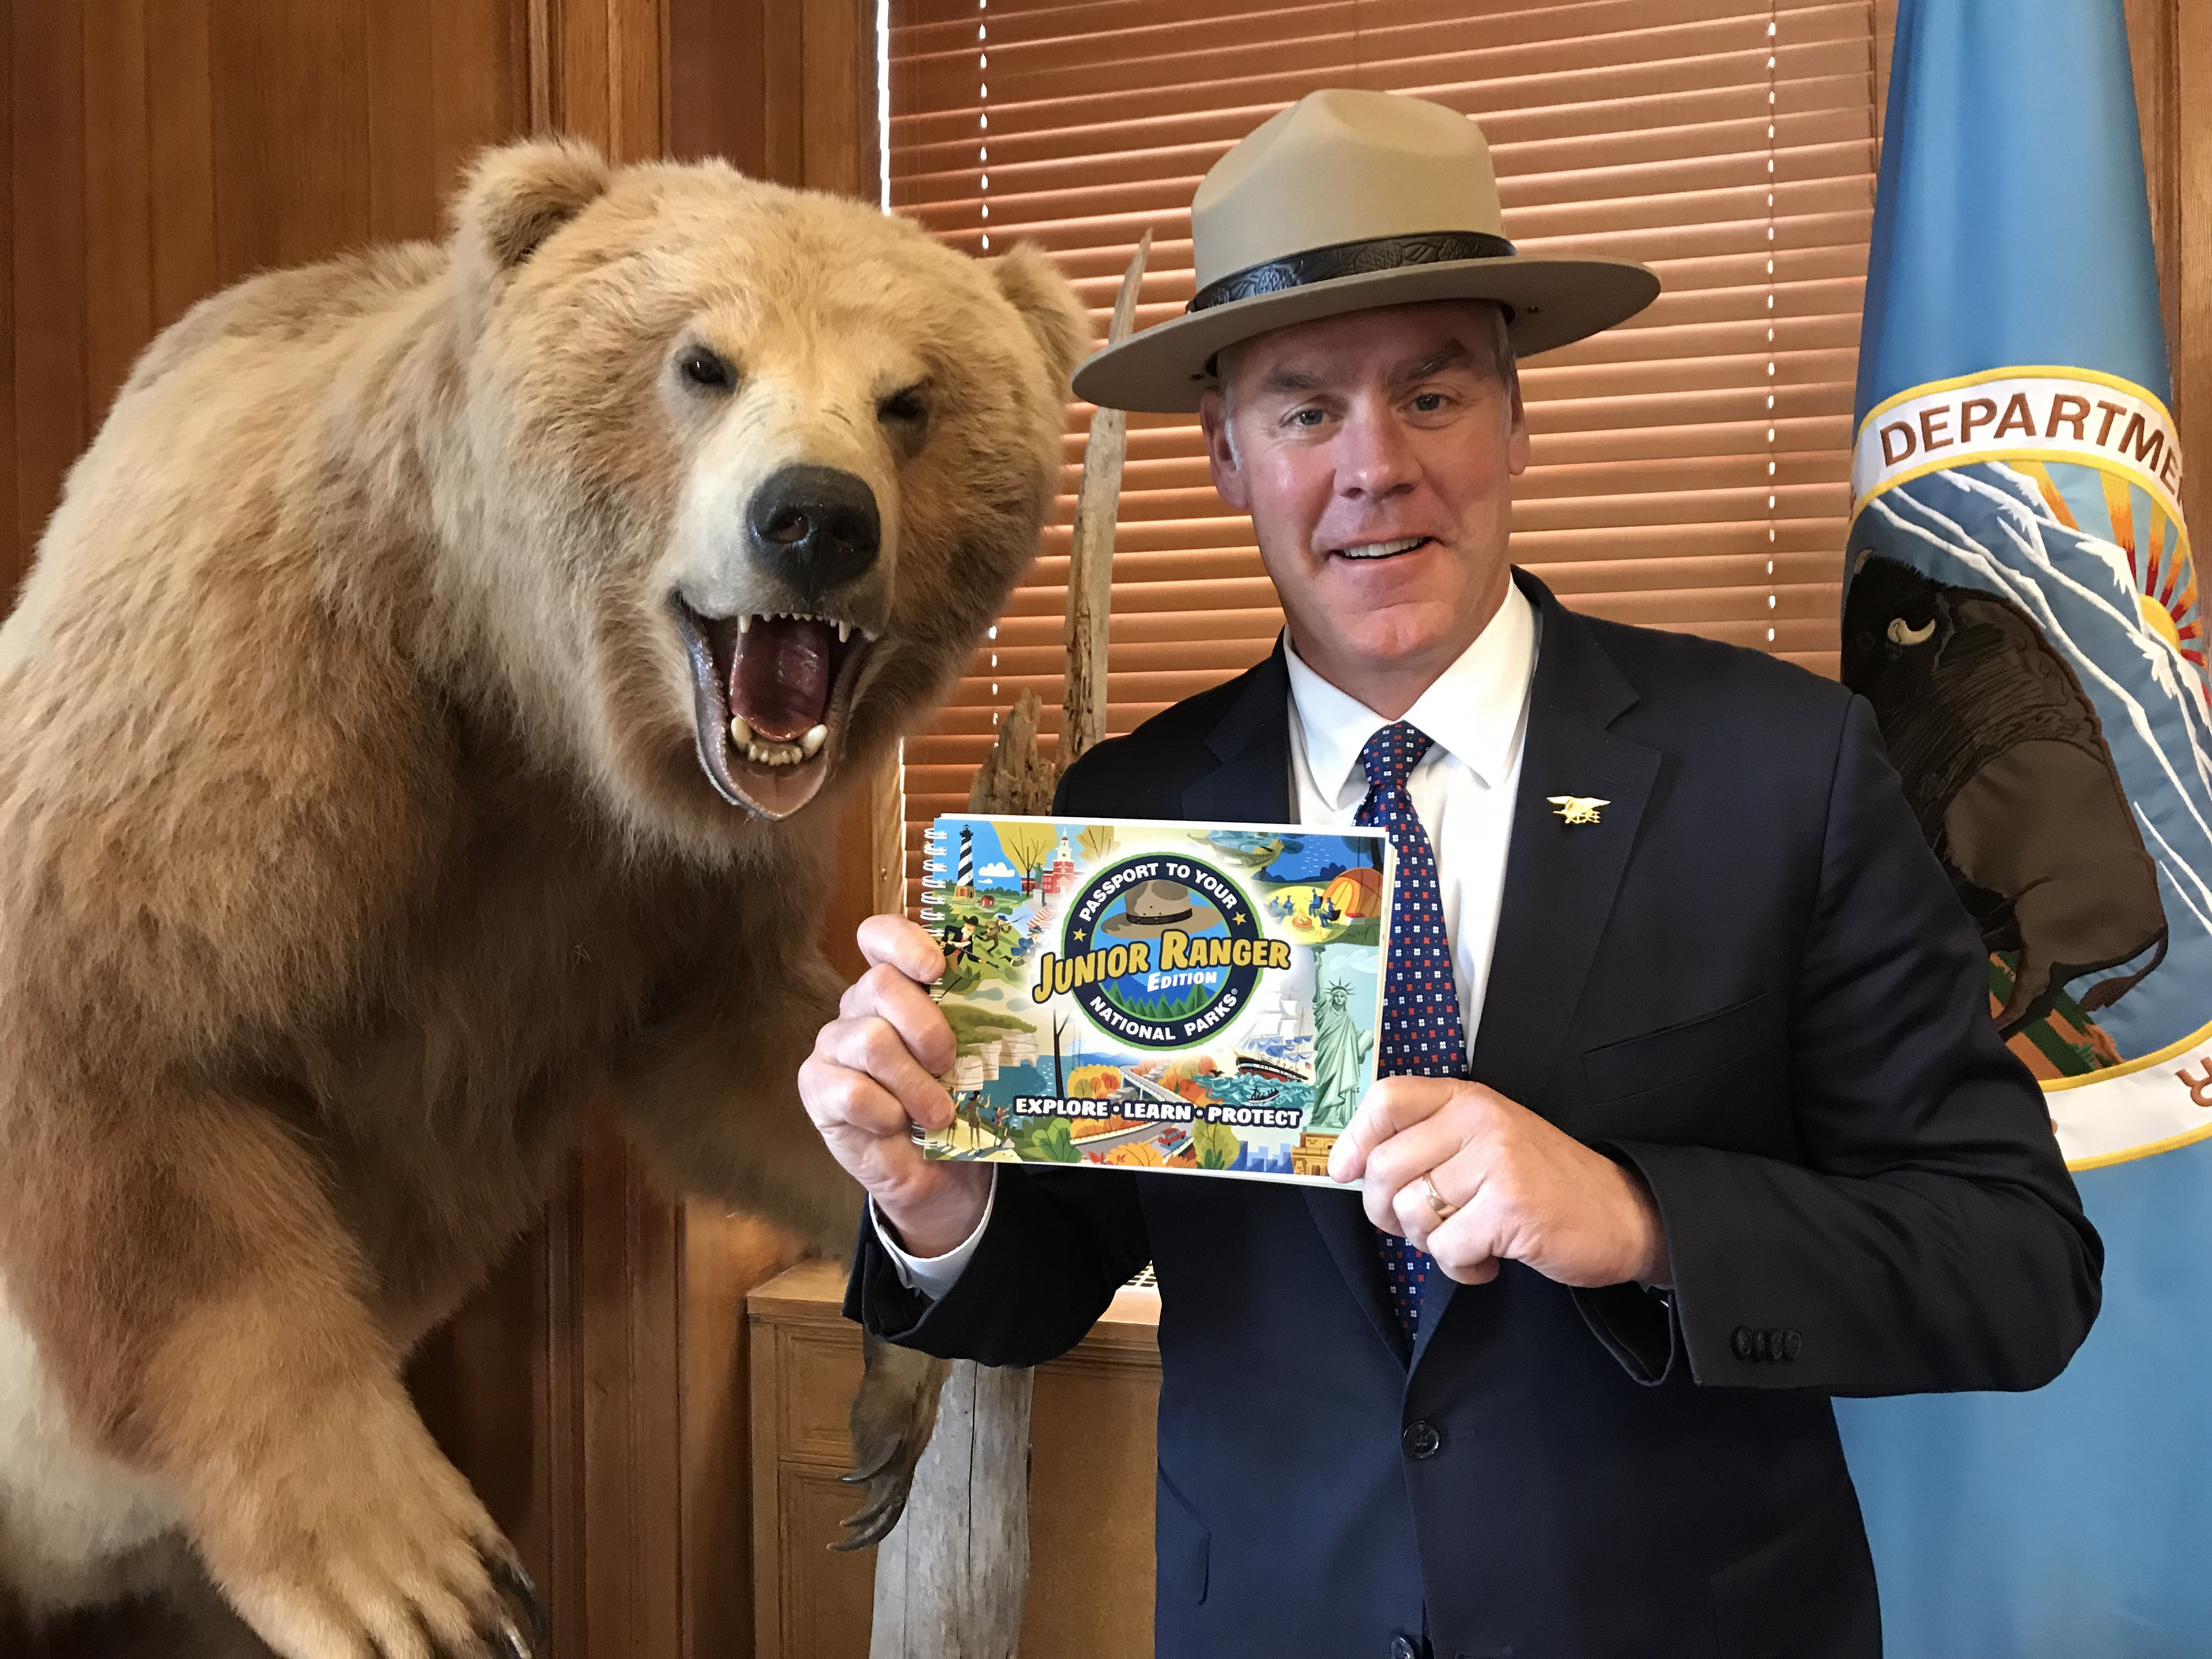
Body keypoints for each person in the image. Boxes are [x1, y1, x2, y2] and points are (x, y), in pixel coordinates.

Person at [799, 89, 2100, 1659]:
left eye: (1431, 394)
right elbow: (1053, 1276)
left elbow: (2017, 1264)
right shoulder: (1130, 816)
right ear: (1223, 454)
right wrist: (933, 1204)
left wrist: (1635, 1219)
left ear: (1516, 419)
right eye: (1301, 411)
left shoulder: (1784, 770)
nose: (1374, 470)